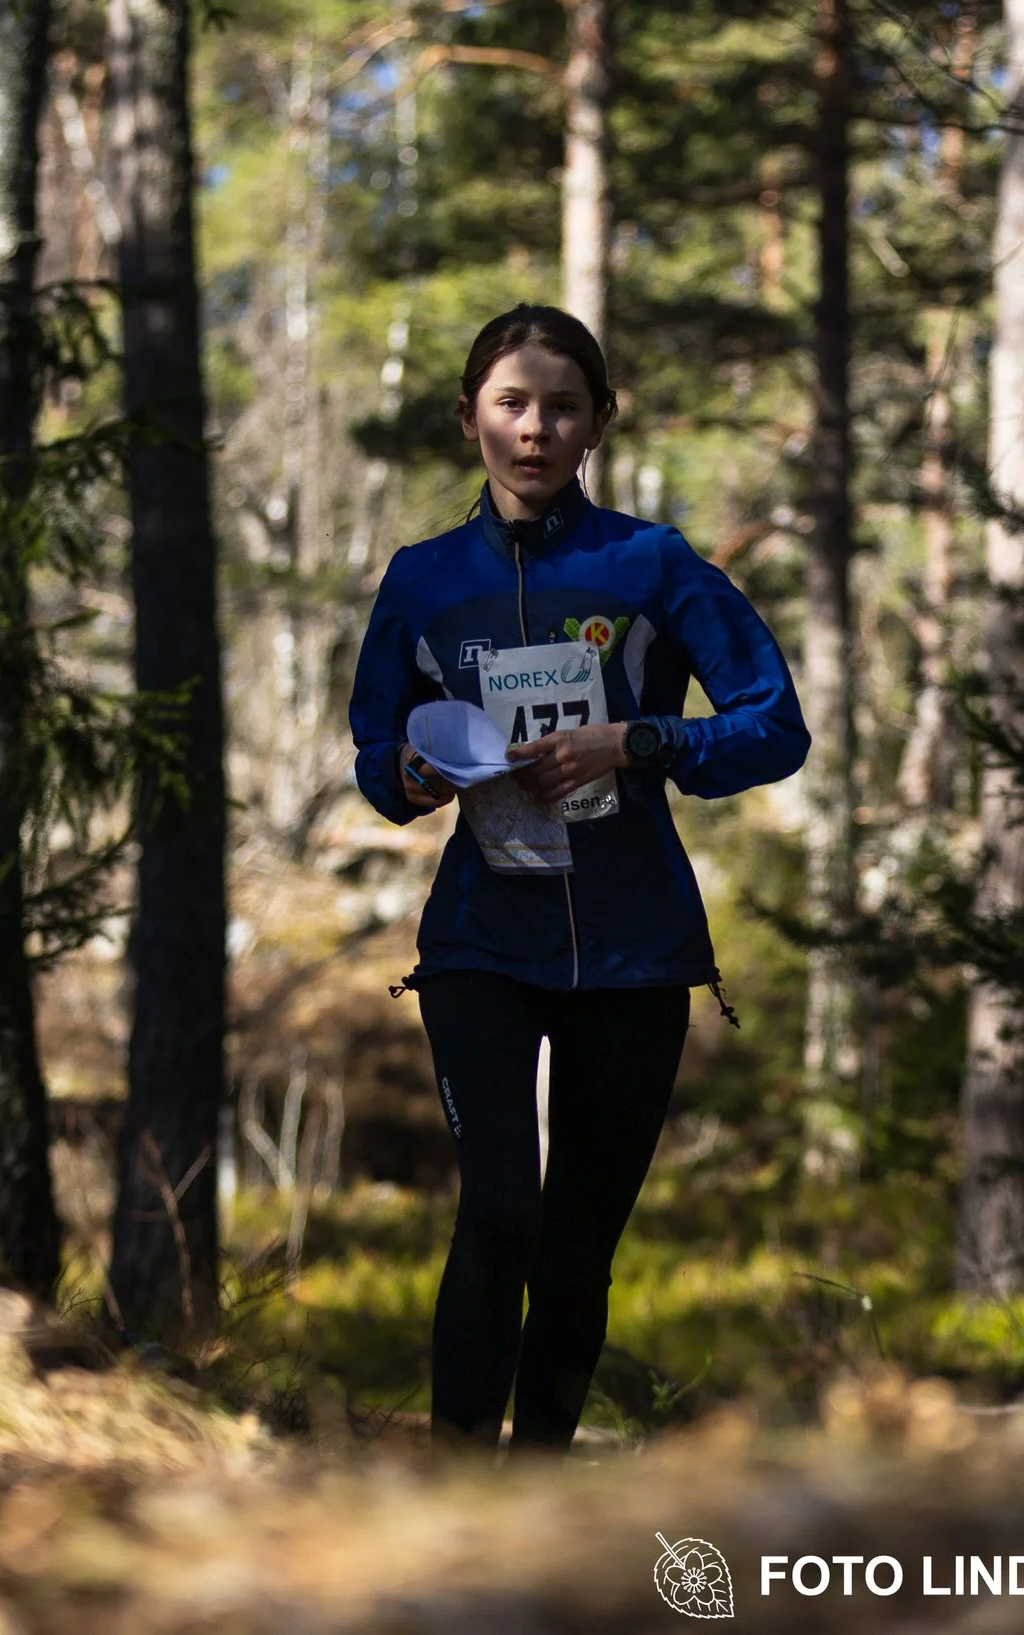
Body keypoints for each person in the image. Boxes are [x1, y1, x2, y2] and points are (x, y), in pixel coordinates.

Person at [347, 305, 809, 1455]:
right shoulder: (421, 580)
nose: (536, 428)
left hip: (633, 946)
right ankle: (457, 1480)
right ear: (470, 419)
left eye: (562, 405)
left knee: (575, 1245)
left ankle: (539, 1479)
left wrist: (638, 743)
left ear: (599, 419)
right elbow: (373, 751)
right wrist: (410, 772)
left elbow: (774, 727)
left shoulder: (649, 565)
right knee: (500, 1209)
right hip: (479, 942)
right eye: (512, 403)